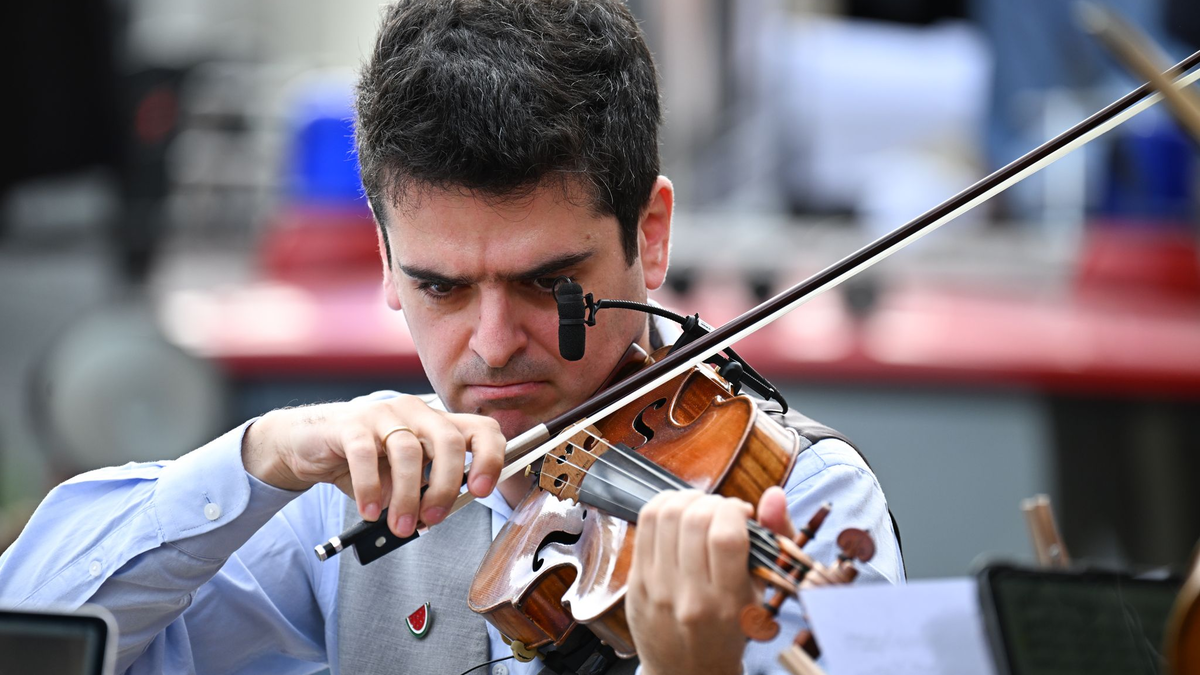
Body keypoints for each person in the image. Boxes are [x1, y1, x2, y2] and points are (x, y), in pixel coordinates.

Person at [0, 1, 904, 673]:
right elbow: (35, 636)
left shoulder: (804, 495)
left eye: (551, 283)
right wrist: (257, 455)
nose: (493, 342)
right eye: (440, 285)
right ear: (387, 258)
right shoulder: (350, 493)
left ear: (652, 235)